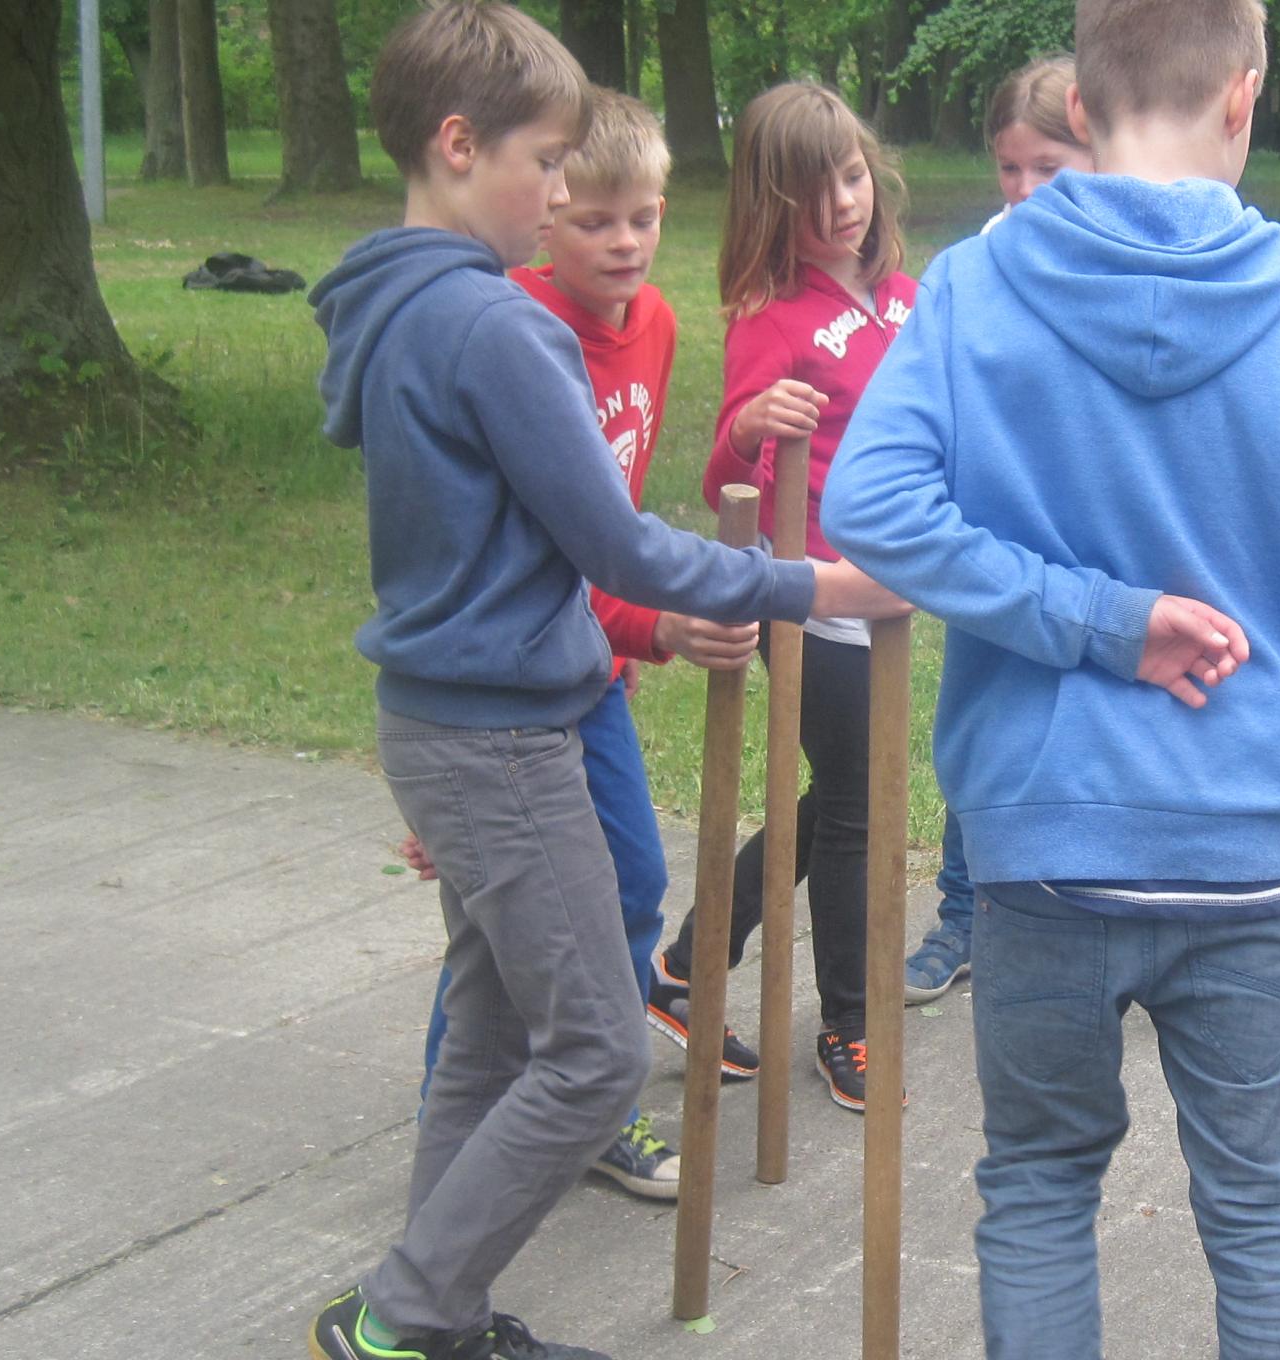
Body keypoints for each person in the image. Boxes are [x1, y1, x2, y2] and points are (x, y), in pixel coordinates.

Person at [820, 0, 1280, 1351]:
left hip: (1043, 845)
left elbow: (874, 504)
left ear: (1079, 111)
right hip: (1246, 847)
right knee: (1268, 1212)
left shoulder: (977, 284)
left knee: (1036, 1186)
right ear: (1245, 98)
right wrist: (1124, 613)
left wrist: (1084, 615)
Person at [303, 6, 899, 1358]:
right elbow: (619, 544)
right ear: (459, 146)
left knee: (495, 1036)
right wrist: (826, 588)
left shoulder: (389, 304)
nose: (567, 191)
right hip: (502, 735)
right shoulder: (498, 331)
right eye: (547, 161)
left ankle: (427, 1315)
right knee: (591, 1054)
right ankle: (400, 1317)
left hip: (463, 717)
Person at [401, 86, 728, 1206]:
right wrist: (654, 616)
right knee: (516, 929)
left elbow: (616, 518)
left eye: (645, 216)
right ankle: (486, 1118)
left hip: (592, 670)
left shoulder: (661, 325)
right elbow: (532, 548)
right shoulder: (518, 332)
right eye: (596, 219)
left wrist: (635, 628)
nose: (625, 242)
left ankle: (571, 1112)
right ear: (546, 214)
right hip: (512, 676)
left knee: (620, 884)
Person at [641, 81, 917, 1114]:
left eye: (850, 175)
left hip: (891, 583)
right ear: (772, 207)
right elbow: (722, 481)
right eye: (813, 192)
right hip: (807, 590)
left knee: (848, 799)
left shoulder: (903, 294)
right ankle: (846, 1022)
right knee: (852, 807)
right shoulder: (771, 316)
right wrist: (753, 419)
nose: (842, 203)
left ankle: (685, 959)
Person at [902, 50, 1097, 1008]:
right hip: (1002, 545)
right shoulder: (978, 264)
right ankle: (961, 914)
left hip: (1092, 536)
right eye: (1009, 167)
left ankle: (1108, 917)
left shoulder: (1110, 254)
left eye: (1047, 168)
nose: (1023, 189)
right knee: (989, 724)